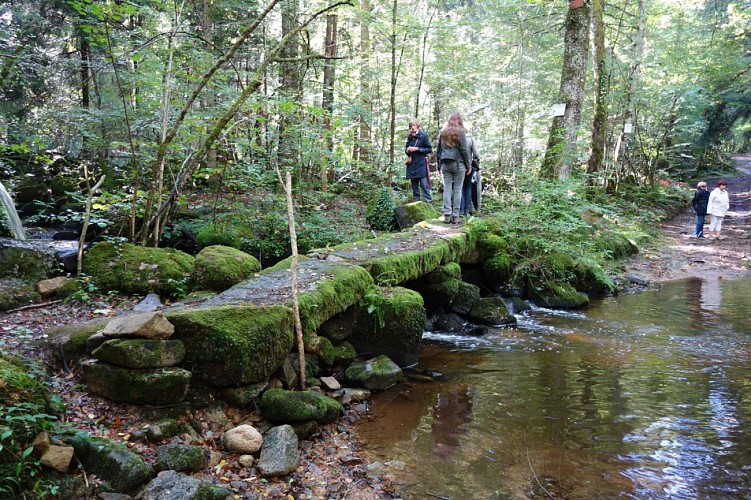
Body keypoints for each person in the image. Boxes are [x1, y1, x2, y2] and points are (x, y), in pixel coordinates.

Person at [436, 112, 471, 224]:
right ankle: (455, 216)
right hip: (458, 164)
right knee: (457, 189)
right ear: (459, 120)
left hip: (445, 163)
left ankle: (447, 215)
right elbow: (464, 150)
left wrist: (438, 165)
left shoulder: (442, 132)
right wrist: (468, 165)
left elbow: (438, 150)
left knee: (447, 188)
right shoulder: (461, 132)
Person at [404, 118, 433, 203]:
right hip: (412, 165)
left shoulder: (423, 136)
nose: (412, 127)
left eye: (413, 125)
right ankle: (416, 205)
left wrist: (417, 149)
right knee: (415, 188)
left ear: (417, 125)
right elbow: (406, 148)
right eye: (411, 126)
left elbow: (429, 149)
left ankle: (429, 204)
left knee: (424, 186)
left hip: (421, 164)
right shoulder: (410, 137)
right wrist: (407, 150)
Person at [459, 134, 481, 216]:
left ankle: (461, 210)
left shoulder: (455, 138)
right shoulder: (471, 139)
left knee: (460, 187)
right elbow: (476, 153)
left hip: (459, 166)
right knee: (468, 187)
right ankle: (468, 209)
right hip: (469, 165)